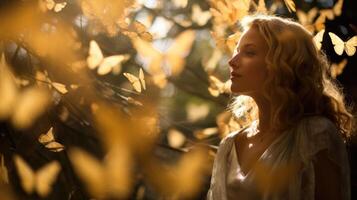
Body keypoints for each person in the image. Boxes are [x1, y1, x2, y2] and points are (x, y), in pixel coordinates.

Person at [207, 15, 353, 200]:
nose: (232, 61)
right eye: (236, 51)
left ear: (282, 63)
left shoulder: (315, 135)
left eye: (249, 53)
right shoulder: (229, 146)